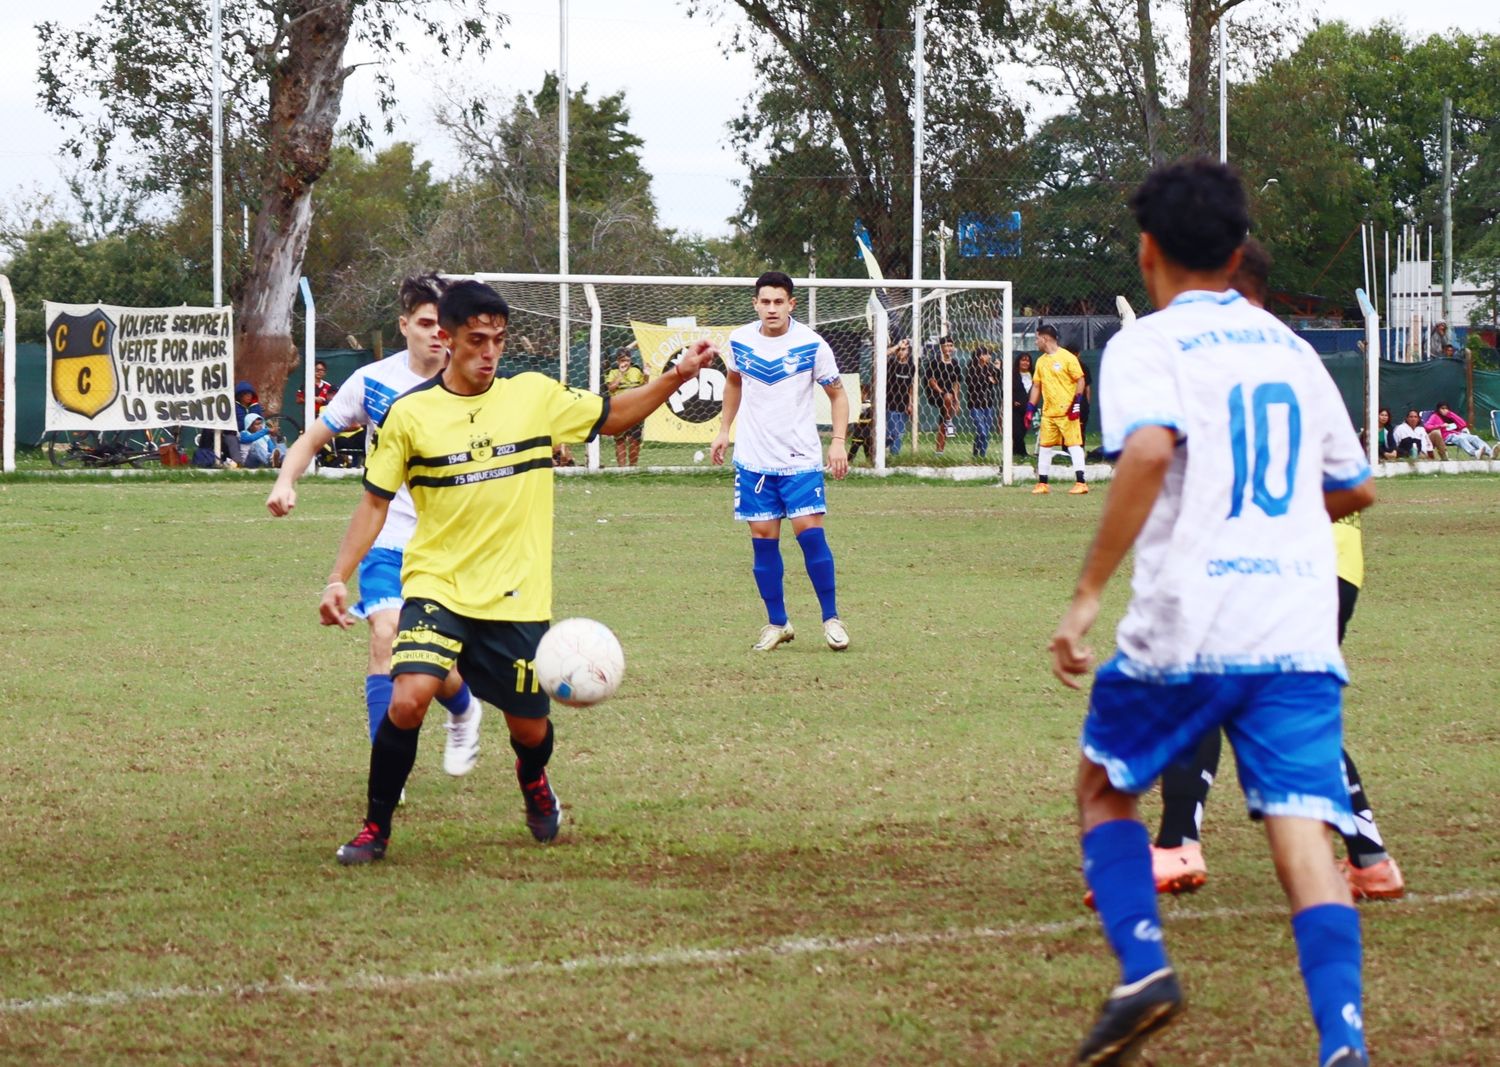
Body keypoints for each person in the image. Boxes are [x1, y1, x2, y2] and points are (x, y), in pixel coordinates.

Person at [1049, 160, 1375, 1067]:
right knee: (1301, 829)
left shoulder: (1148, 345)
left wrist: (1085, 595)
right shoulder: (1292, 348)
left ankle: (1145, 969)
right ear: (1239, 252)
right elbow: (1353, 487)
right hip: (1298, 624)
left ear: (1147, 250)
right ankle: (1343, 1044)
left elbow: (1149, 450)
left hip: (1194, 619)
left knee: (1103, 784)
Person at [323, 280, 718, 864]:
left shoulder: (533, 396)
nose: (488, 352)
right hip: (437, 586)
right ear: (445, 336)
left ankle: (534, 784)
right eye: (476, 340)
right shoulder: (410, 416)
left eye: (498, 341)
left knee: (530, 731)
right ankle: (375, 830)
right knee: (408, 699)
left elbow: (614, 416)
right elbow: (375, 502)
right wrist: (338, 576)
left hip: (516, 597)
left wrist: (676, 377)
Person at [1133, 236, 1404, 912]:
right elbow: (1348, 477)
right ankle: (1369, 857)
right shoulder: (1295, 353)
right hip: (1333, 556)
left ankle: (1176, 845)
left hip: (1279, 558)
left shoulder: (1226, 354)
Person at [267, 273, 486, 783]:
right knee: (385, 635)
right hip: (388, 538)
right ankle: (386, 769)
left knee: (431, 660)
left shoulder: (475, 381)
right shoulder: (373, 383)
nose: (437, 334)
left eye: (444, 324)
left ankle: (463, 708)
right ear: (405, 324)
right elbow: (312, 437)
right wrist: (285, 480)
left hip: (451, 544)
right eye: (426, 323)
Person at [709, 270, 851, 653]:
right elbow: (734, 383)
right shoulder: (739, 340)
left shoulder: (812, 345)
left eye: (778, 301)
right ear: (755, 304)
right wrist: (724, 430)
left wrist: (838, 442)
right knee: (763, 541)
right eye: (765, 301)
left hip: (801, 458)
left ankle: (831, 618)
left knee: (810, 535)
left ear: (791, 304)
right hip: (754, 460)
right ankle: (777, 623)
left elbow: (838, 396)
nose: (771, 308)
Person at [1026, 325, 1088, 494]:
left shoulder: (1067, 358)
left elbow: (1080, 380)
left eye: (1037, 338)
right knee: (1045, 447)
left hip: (1067, 412)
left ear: (1045, 339)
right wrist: (1030, 408)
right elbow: (1036, 386)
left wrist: (1076, 403)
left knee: (1074, 445)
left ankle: (1081, 482)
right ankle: (1043, 483)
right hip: (1049, 413)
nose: (1036, 341)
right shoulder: (1040, 361)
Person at [604, 346, 649, 467]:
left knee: (634, 440)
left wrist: (646, 375)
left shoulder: (636, 371)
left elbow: (645, 387)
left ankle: (633, 467)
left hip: (635, 410)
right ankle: (621, 468)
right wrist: (621, 374)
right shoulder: (613, 372)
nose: (625, 363)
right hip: (618, 410)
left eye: (627, 360)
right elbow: (611, 387)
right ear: (618, 361)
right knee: (620, 439)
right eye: (622, 360)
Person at [925, 336, 963, 455]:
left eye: (950, 345)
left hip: (949, 397)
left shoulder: (955, 363)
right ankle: (949, 420)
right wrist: (942, 393)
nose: (948, 348)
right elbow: (931, 381)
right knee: (947, 398)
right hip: (935, 394)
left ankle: (939, 451)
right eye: (946, 345)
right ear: (941, 347)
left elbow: (956, 383)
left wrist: (956, 400)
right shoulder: (934, 361)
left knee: (942, 423)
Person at [965, 343, 1001, 460]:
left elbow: (996, 381)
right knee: (982, 431)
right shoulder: (971, 368)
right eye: (987, 354)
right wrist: (988, 379)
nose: (989, 357)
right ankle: (978, 454)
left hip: (988, 404)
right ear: (980, 356)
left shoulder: (990, 368)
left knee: (985, 431)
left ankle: (980, 455)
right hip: (975, 405)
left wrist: (997, 370)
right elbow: (974, 384)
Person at [1424, 402, 1494, 458]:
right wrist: (1441, 426)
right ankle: (1474, 453)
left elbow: (1463, 424)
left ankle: (1490, 452)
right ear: (1438, 409)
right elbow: (1427, 426)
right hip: (1446, 436)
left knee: (1474, 437)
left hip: (1457, 433)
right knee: (1461, 439)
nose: (1444, 410)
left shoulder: (1450, 416)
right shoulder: (1435, 416)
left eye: (1446, 408)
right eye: (1442, 408)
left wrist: (1450, 414)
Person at [885, 337, 916, 455]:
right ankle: (879, 446)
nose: (902, 352)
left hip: (903, 405)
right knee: (894, 433)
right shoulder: (891, 363)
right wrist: (898, 346)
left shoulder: (911, 366)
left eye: (904, 350)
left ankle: (894, 457)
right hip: (890, 403)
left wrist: (911, 403)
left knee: (899, 434)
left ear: (909, 351)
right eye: (900, 350)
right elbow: (880, 355)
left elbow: (910, 386)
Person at [846, 380, 875, 465]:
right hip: (862, 434)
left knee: (864, 451)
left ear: (866, 394)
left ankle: (868, 464)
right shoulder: (859, 404)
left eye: (860, 393)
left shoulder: (867, 405)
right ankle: (849, 464)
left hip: (864, 434)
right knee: (855, 451)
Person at [1011, 352, 1034, 458]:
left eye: (1027, 360)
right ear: (1018, 362)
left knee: (1023, 432)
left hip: (1028, 409)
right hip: (1014, 409)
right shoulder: (1013, 375)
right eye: (1023, 360)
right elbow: (1006, 391)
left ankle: (1016, 453)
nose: (1025, 362)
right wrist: (1013, 401)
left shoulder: (1033, 375)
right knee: (1017, 433)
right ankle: (1023, 453)